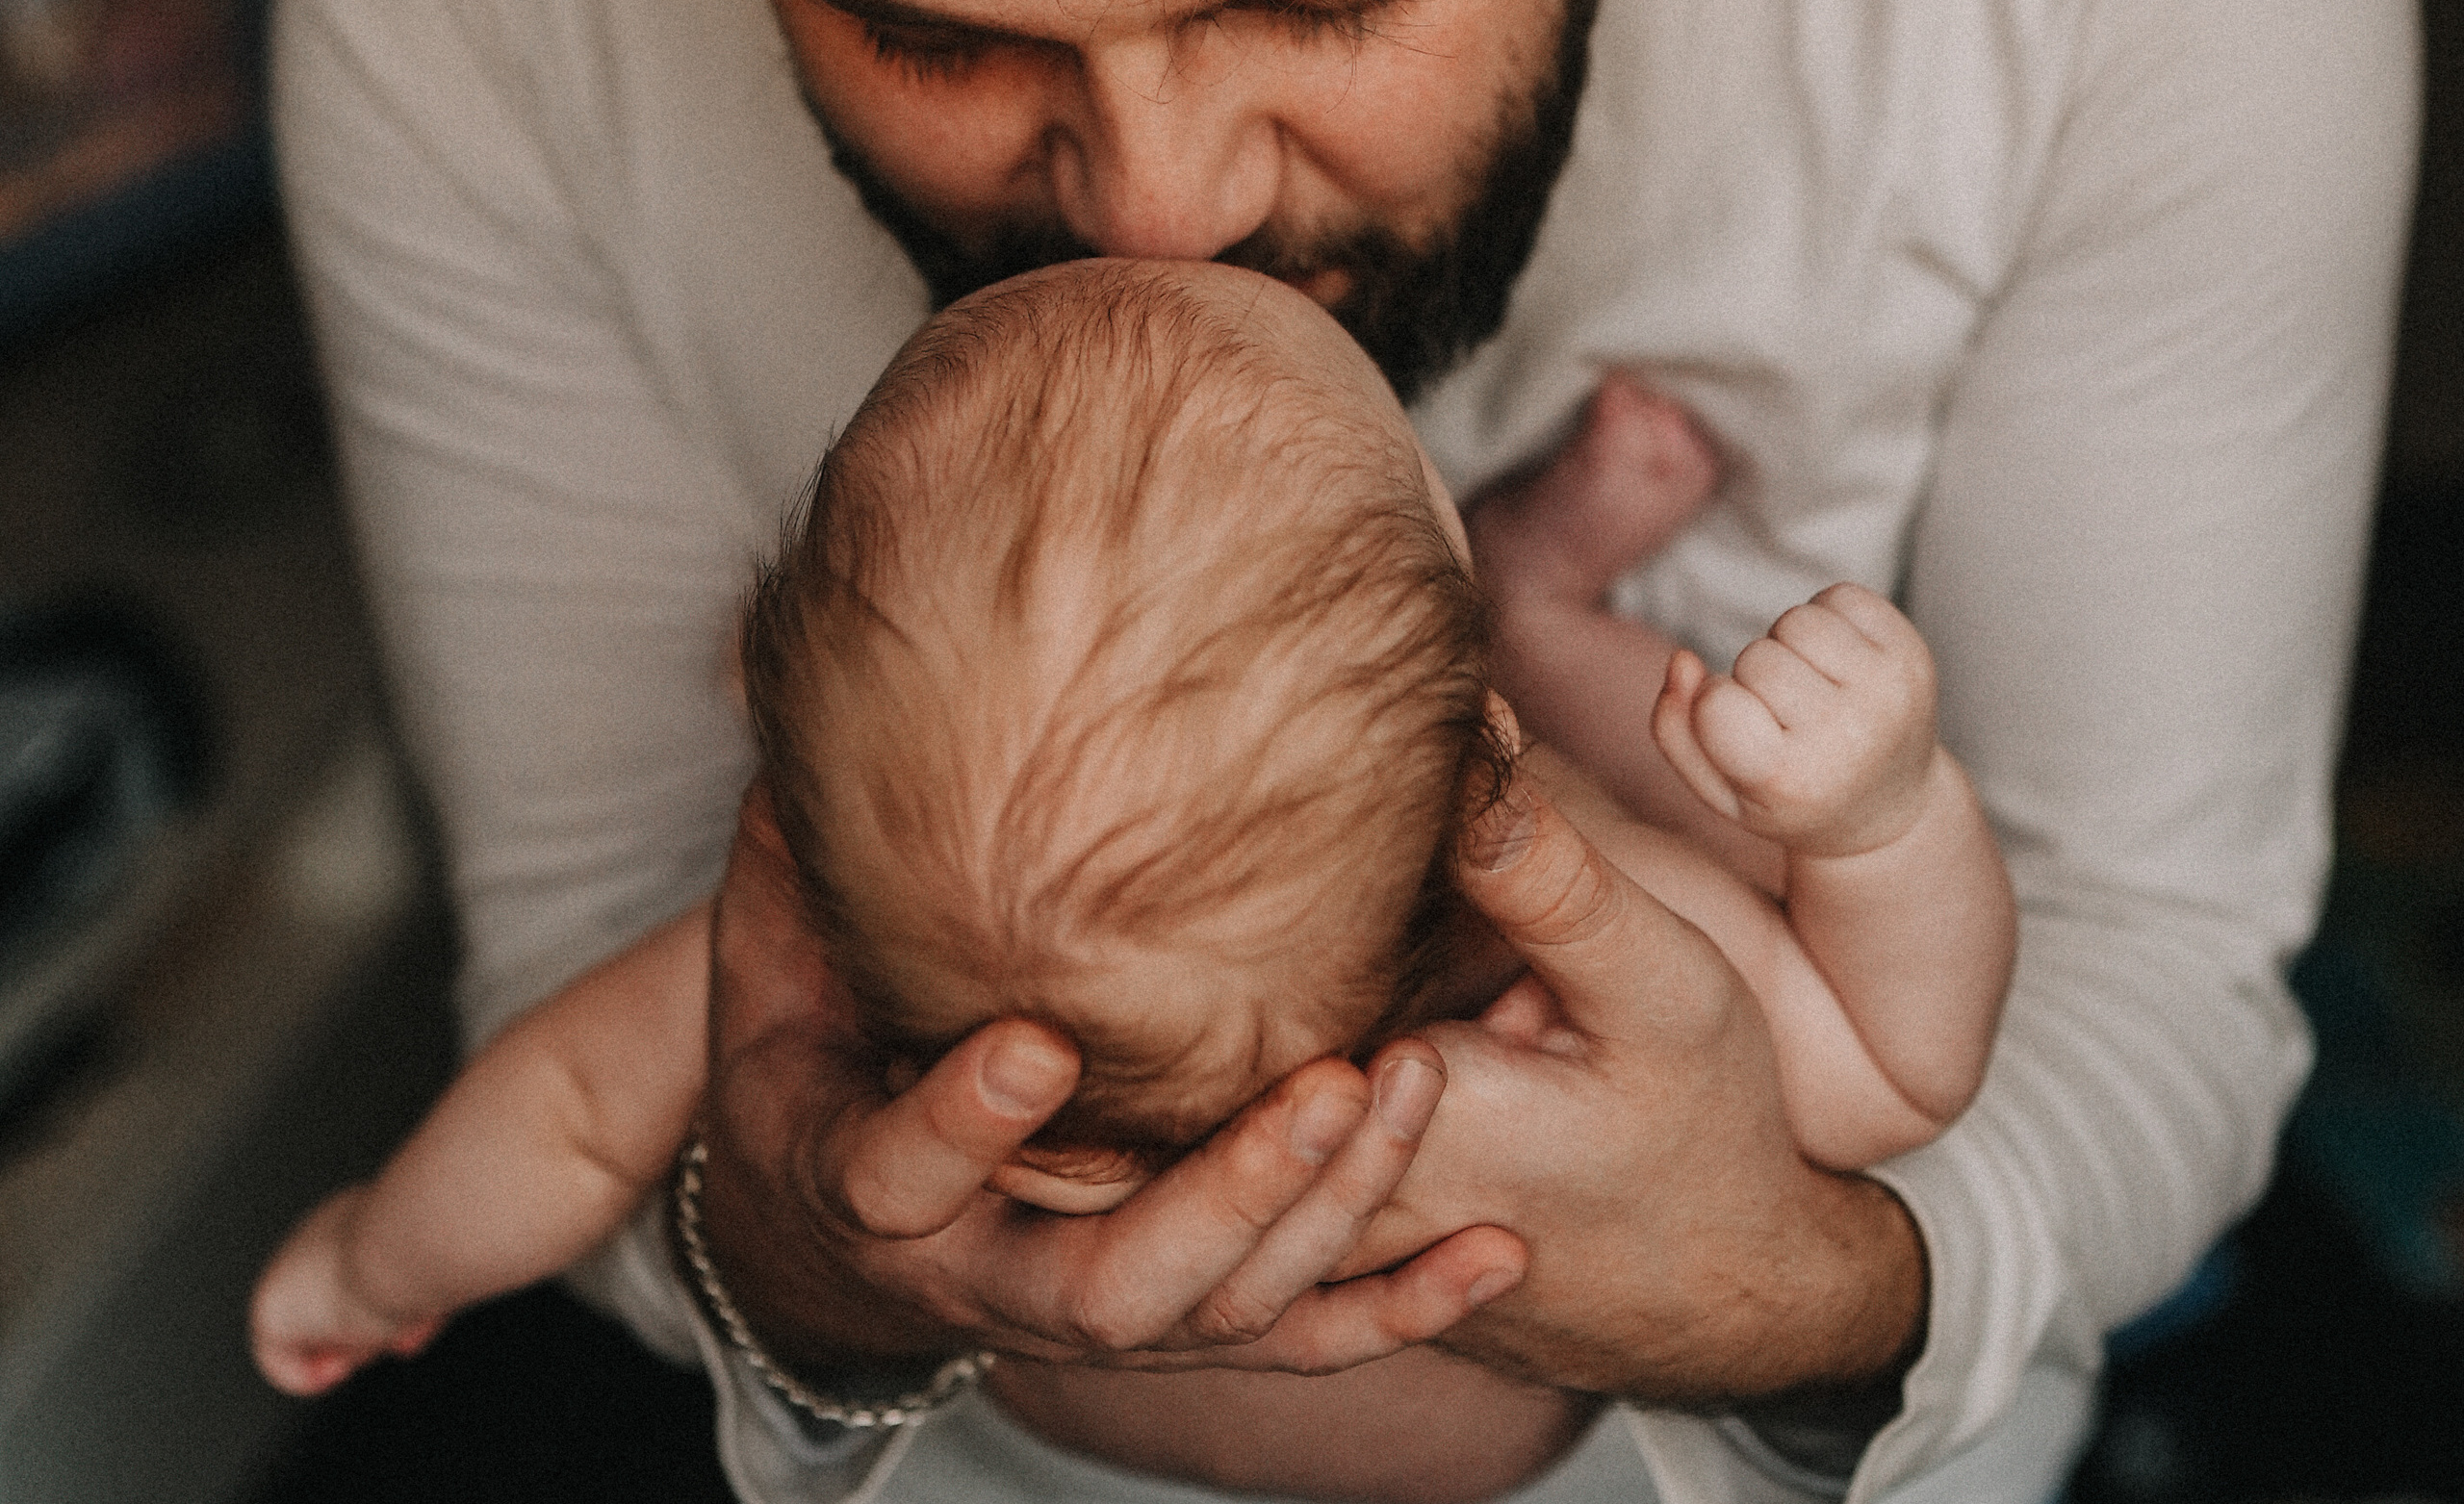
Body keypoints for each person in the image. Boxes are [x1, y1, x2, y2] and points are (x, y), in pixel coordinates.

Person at [268, 0, 2420, 1494]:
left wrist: (1796, 1291)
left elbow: (2143, 968)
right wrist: (813, 1277)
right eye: (918, 24)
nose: (1157, 206)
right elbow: (588, 994)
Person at [249, 261, 2013, 1492]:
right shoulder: (1537, 947)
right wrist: (1877, 817)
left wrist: (368, 1265)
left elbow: (560, 1112)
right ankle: (1558, 618)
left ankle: (1548, 596)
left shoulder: (855, 991)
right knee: (1668, 772)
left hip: (1019, 1466)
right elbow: (1894, 1065)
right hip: (1527, 1491)